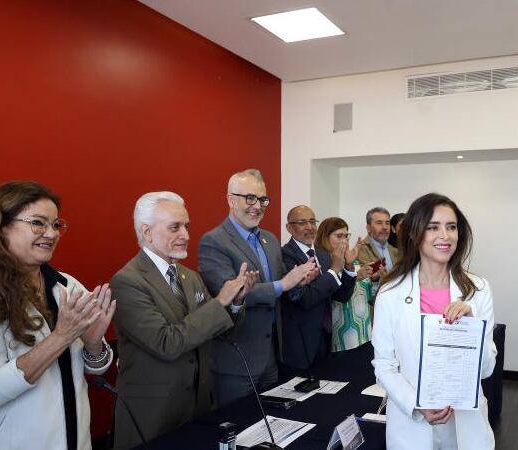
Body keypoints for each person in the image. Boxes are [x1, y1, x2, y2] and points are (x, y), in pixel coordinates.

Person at [0, 181, 116, 450]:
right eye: (38, 223)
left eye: (56, 225)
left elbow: (97, 366)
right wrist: (61, 337)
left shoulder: (67, 285)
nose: (51, 234)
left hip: (76, 438)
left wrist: (95, 343)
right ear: (1, 226)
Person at [110, 191, 257, 450]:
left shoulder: (189, 276)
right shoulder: (127, 281)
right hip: (152, 414)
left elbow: (219, 333)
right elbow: (167, 343)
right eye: (175, 227)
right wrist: (220, 302)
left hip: (197, 406)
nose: (186, 235)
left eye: (186, 226)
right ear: (147, 232)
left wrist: (235, 302)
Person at [372, 193, 497, 450]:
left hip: (466, 423)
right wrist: (416, 403)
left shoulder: (479, 290)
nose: (445, 235)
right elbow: (384, 365)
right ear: (414, 234)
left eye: (451, 227)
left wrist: (474, 329)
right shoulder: (391, 292)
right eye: (433, 227)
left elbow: (486, 370)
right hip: (413, 423)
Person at [198, 169, 317, 405]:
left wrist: (299, 281)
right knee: (238, 429)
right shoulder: (213, 241)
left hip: (272, 355)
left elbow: (283, 285)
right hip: (236, 359)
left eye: (263, 199)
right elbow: (230, 293)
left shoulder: (270, 240)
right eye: (249, 198)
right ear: (231, 200)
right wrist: (283, 284)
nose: (258, 206)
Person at [280, 205, 356, 378]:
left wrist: (349, 266)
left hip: (325, 338)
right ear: (289, 228)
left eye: (312, 221)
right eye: (302, 222)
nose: (309, 227)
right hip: (299, 343)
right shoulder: (285, 255)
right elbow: (304, 299)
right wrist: (334, 269)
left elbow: (341, 296)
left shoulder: (322, 255)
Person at [314, 217, 375, 352]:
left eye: (346, 236)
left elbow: (362, 292)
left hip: (362, 331)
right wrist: (355, 275)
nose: (344, 240)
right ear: (325, 237)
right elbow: (336, 296)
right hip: (338, 333)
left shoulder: (347, 258)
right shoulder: (319, 260)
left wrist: (371, 277)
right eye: (339, 236)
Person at [357, 207, 400, 283]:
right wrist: (374, 279)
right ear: (368, 228)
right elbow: (358, 282)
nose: (385, 227)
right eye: (379, 223)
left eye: (387, 223)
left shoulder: (395, 250)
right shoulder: (359, 250)